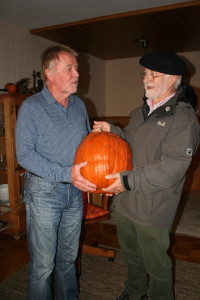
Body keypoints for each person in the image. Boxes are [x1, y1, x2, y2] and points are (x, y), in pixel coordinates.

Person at [93, 50, 200, 300]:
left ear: (173, 79)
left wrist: (127, 181)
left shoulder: (183, 118)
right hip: (127, 201)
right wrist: (115, 130)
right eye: (145, 73)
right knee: (131, 256)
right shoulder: (139, 113)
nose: (146, 79)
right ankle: (134, 292)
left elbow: (173, 166)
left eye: (154, 74)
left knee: (157, 265)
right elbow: (131, 143)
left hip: (153, 207)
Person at [15, 45, 96, 300]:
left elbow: (83, 147)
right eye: (69, 68)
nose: (77, 74)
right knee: (43, 266)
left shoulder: (79, 105)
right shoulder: (32, 107)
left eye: (77, 68)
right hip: (44, 193)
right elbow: (25, 155)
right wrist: (65, 173)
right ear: (50, 73)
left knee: (68, 260)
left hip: (75, 192)